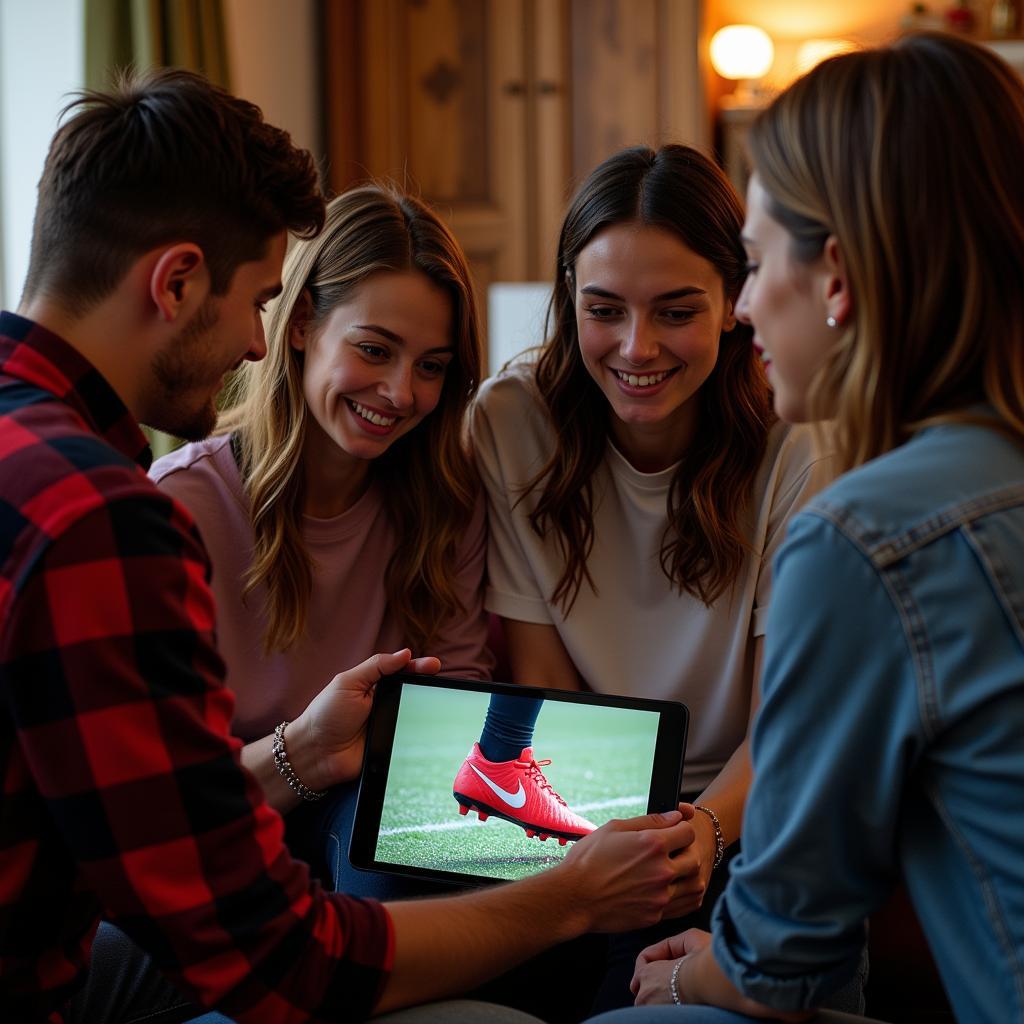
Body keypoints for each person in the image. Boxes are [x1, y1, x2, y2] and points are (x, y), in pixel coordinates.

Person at [0, 67, 703, 1024]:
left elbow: (131, 824)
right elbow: (279, 960)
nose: (253, 341)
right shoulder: (108, 521)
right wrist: (571, 896)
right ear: (178, 282)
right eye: (258, 302)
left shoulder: (46, 469)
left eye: (432, 366)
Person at [588, 31, 1024, 1024]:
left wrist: (691, 971)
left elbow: (779, 958)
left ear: (835, 276)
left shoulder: (868, 536)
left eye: (747, 264)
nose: (743, 307)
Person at [470, 144, 837, 1009]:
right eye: (604, 310)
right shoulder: (512, 419)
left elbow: (786, 717)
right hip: (585, 796)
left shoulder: (796, 441)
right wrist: (600, 849)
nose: (637, 348)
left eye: (676, 312)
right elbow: (544, 689)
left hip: (745, 806)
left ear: (735, 303)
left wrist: (702, 830)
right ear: (570, 300)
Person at [149, 183, 496, 879]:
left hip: (380, 830)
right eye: (374, 350)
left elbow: (458, 737)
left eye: (431, 367)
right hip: (231, 844)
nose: (401, 394)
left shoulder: (448, 503)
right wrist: (304, 750)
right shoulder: (181, 503)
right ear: (302, 323)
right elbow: (156, 806)